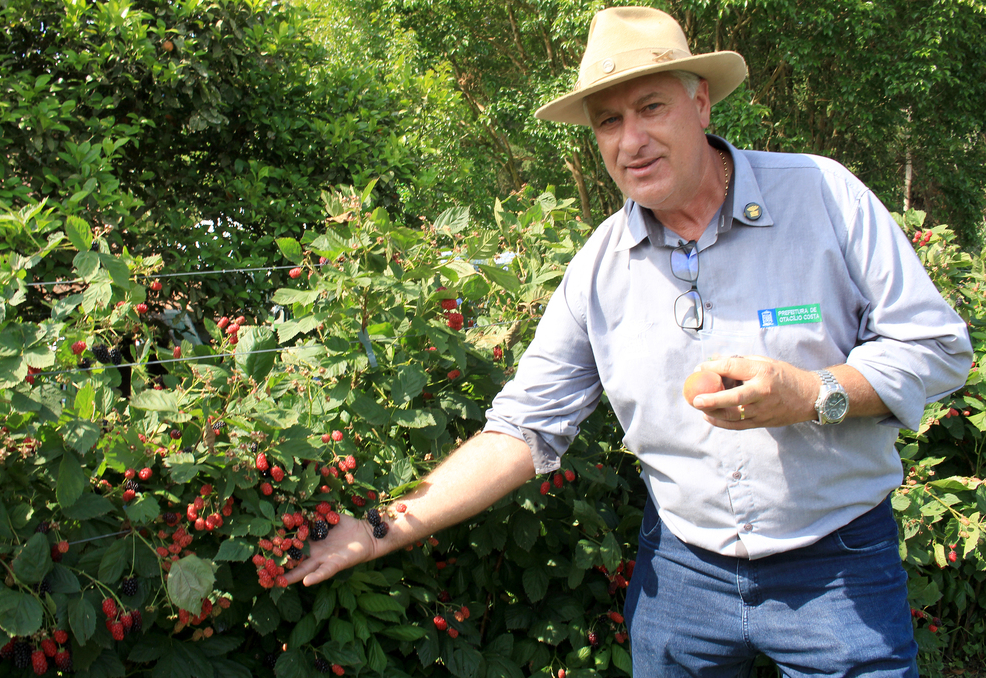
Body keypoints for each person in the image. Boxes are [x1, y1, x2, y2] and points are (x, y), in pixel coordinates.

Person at [287, 7, 972, 676]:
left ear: (701, 104)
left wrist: (812, 392)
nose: (630, 140)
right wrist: (380, 526)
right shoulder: (600, 268)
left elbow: (937, 347)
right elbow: (522, 428)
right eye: (608, 121)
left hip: (838, 559)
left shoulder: (823, 196)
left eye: (651, 108)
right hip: (682, 570)